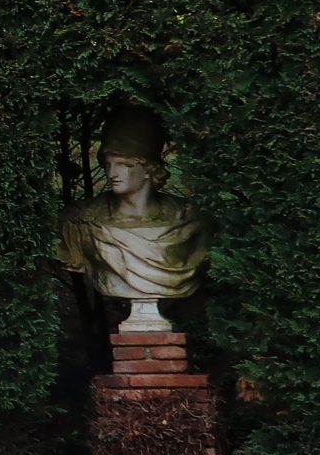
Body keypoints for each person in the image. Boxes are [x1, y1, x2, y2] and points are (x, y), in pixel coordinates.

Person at [59, 103, 212, 334]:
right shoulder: (80, 223)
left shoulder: (189, 223)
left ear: (149, 168)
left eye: (124, 165)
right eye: (109, 164)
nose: (112, 174)